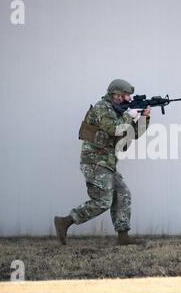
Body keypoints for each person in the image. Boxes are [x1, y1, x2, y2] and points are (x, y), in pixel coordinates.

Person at [54, 79, 151, 245]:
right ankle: (65, 221)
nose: (126, 99)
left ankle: (123, 236)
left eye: (127, 96)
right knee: (103, 201)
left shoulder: (120, 112)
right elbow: (114, 129)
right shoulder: (102, 108)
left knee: (123, 194)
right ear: (114, 94)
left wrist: (144, 118)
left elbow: (133, 134)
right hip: (94, 161)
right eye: (123, 95)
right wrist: (130, 115)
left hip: (108, 162)